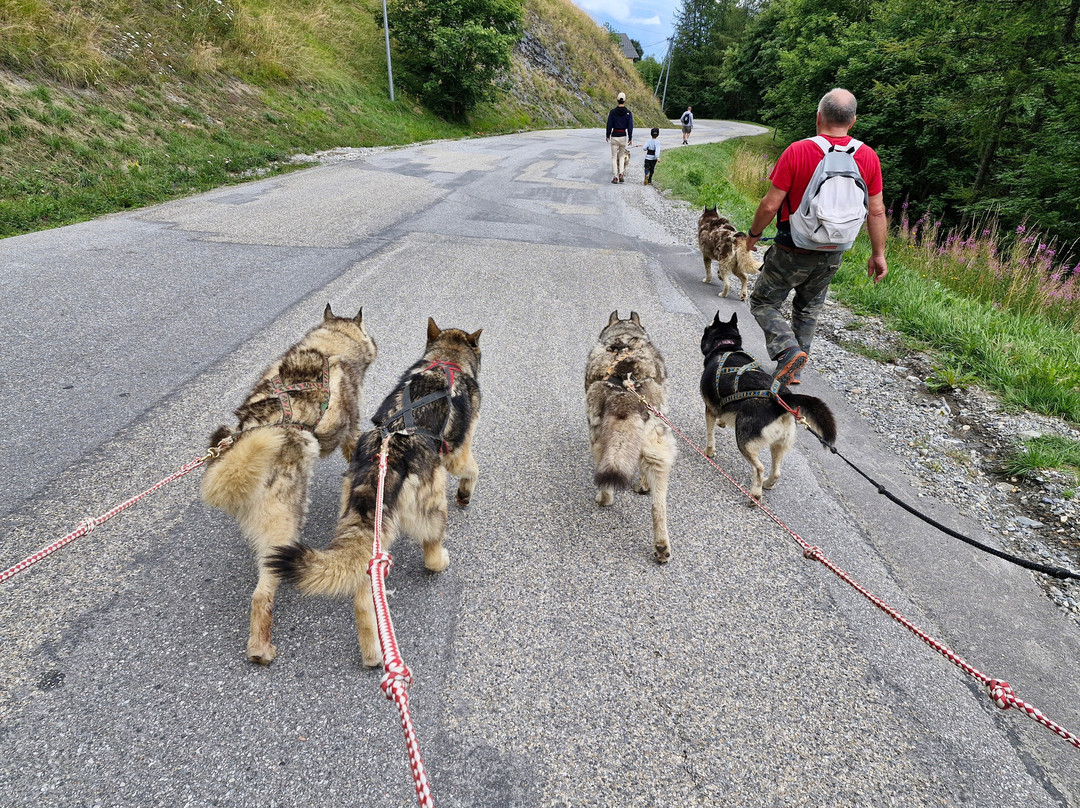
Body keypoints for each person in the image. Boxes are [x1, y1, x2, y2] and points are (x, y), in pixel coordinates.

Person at [744, 88, 887, 386]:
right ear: (854, 121)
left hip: (793, 246)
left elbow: (770, 204)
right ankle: (793, 372)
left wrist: (753, 236)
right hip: (834, 249)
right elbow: (876, 212)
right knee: (809, 307)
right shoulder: (868, 156)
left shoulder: (798, 150)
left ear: (818, 116)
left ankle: (787, 351)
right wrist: (878, 254)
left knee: (762, 301)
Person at [605, 92, 634, 183]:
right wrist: (630, 138)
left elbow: (609, 124)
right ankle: (621, 173)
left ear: (617, 100)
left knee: (614, 157)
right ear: (624, 101)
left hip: (614, 135)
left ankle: (615, 177)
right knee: (621, 156)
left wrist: (607, 135)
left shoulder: (612, 112)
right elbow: (630, 126)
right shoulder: (628, 113)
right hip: (623, 136)